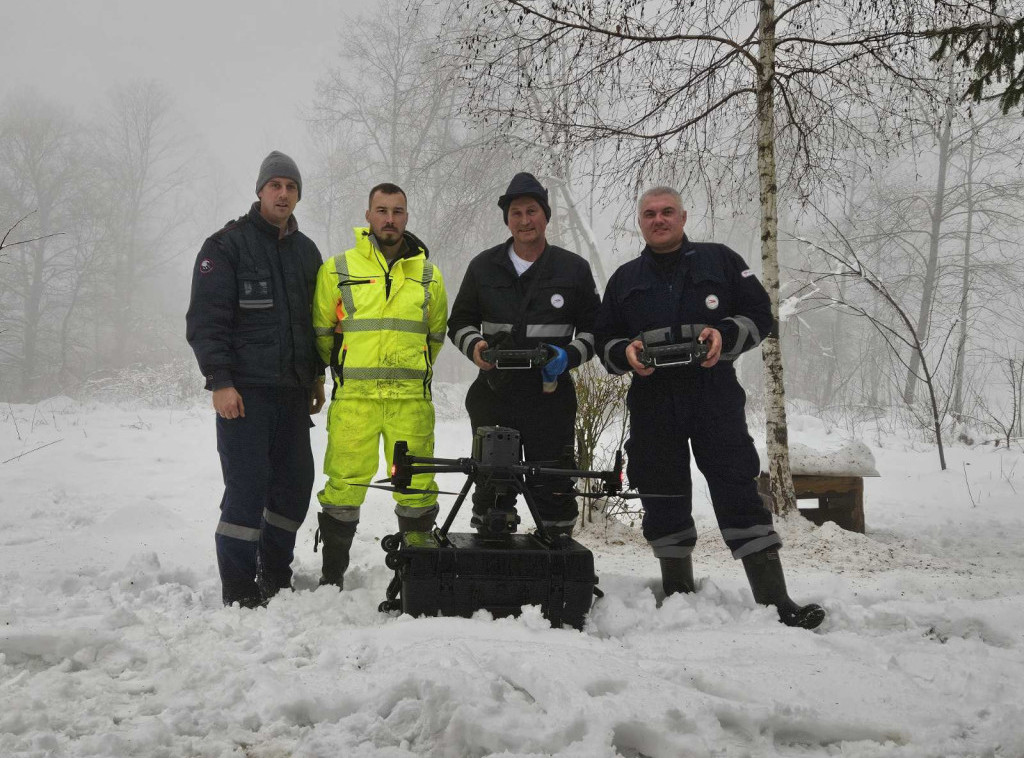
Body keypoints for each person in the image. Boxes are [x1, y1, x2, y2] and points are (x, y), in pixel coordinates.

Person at [595, 186, 826, 629]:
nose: (658, 220)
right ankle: (678, 597)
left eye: (667, 212)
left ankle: (776, 602)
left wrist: (725, 336)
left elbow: (761, 315)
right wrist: (625, 353)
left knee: (737, 487)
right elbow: (604, 340)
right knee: (661, 492)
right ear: (640, 222)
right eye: (649, 214)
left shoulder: (721, 261)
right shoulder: (624, 279)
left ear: (683, 217)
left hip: (713, 395)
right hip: (653, 400)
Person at [186, 151, 325, 608]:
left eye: (291, 186)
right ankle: (241, 589)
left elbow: (316, 323)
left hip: (291, 395)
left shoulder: (307, 253)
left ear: (298, 194)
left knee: (294, 487)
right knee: (246, 491)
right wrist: (220, 381)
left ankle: (274, 574)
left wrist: (316, 378)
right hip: (243, 395)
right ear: (260, 191)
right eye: (275, 185)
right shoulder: (226, 246)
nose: (283, 194)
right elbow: (206, 321)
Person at [447, 172, 600, 537]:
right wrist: (476, 348)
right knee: (491, 486)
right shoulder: (483, 267)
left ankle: (558, 561)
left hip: (550, 397)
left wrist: (567, 357)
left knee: (553, 482)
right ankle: (492, 564)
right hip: (494, 395)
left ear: (546, 216)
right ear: (507, 220)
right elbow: (459, 322)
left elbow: (597, 331)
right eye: (516, 213)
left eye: (532, 211)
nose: (525, 220)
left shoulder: (573, 269)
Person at [311, 183, 448, 588]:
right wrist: (338, 372)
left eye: (398, 211)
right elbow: (322, 332)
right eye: (382, 210)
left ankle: (418, 575)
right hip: (354, 401)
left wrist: (409, 373)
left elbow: (435, 336)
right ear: (368, 215)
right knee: (344, 487)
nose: (390, 218)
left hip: (411, 404)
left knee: (417, 487)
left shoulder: (428, 274)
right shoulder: (337, 269)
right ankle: (332, 575)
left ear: (407, 217)